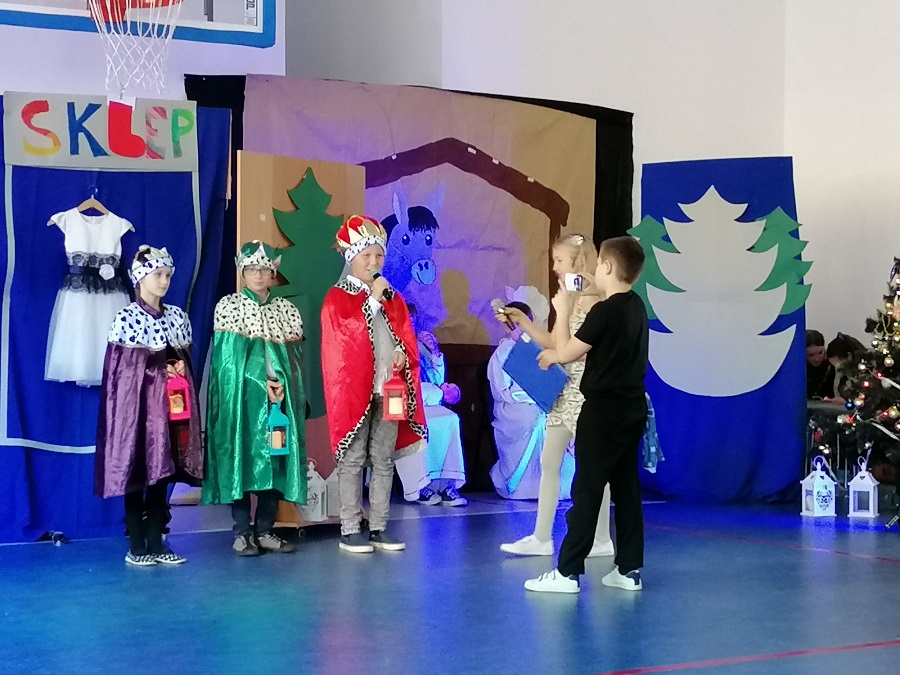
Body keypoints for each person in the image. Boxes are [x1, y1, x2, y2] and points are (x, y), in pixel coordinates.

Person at [525, 235, 648, 594]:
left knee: (587, 489)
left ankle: (566, 573)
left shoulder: (604, 312)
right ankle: (629, 569)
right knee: (627, 490)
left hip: (603, 411)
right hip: (631, 409)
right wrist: (582, 286)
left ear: (606, 266)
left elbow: (565, 351)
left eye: (599, 265)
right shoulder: (635, 306)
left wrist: (563, 310)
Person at [497, 234, 614, 558]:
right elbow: (554, 341)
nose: (554, 268)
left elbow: (575, 348)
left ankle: (602, 538)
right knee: (549, 461)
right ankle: (541, 536)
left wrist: (558, 348)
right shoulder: (569, 298)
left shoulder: (592, 297)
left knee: (593, 467)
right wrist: (523, 322)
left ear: (577, 260)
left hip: (586, 393)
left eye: (559, 260)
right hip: (563, 393)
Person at [321, 215, 427, 554]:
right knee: (353, 459)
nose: (373, 262)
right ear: (351, 258)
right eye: (366, 256)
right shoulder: (337, 297)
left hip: (388, 389)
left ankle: (379, 526)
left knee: (384, 460)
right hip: (356, 393)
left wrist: (401, 352)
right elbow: (345, 338)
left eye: (378, 255)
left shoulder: (393, 299)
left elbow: (404, 337)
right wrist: (372, 301)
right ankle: (351, 528)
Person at [95, 245, 202, 566]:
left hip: (170, 411)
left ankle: (157, 541)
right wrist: (159, 368)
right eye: (158, 275)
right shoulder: (127, 319)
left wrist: (179, 366)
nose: (164, 281)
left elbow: (183, 360)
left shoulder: (177, 318)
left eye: (168, 275)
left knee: (162, 473)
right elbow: (123, 375)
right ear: (141, 278)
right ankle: (137, 545)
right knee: (137, 472)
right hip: (138, 415)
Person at [203, 241, 306, 556]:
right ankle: (241, 531)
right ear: (242, 272)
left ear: (272, 272)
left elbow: (294, 362)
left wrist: (282, 384)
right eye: (251, 269)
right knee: (241, 458)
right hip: (243, 405)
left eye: (263, 269)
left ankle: (265, 530)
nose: (258, 275)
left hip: (277, 402)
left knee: (275, 458)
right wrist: (258, 384)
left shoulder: (286, 311)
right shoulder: (230, 307)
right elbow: (227, 366)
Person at [396, 302, 468, 507]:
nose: (411, 325)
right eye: (407, 320)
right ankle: (419, 486)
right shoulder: (392, 345)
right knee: (418, 426)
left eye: (413, 321)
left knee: (450, 419)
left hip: (430, 401)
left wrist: (434, 353)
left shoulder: (420, 345)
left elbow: (438, 380)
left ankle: (446, 483)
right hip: (405, 405)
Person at [488, 301, 552, 500]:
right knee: (531, 416)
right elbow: (501, 390)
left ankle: (553, 485)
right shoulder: (502, 352)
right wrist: (530, 398)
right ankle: (520, 485)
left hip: (539, 402)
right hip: (513, 406)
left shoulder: (538, 349)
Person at [827, 332, 866, 402]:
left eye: (840, 367)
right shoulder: (840, 372)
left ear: (849, 356)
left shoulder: (867, 372)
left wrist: (845, 402)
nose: (838, 370)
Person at [807, 329, 835, 399]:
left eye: (820, 353)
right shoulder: (796, 368)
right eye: (810, 355)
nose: (816, 359)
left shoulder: (834, 364)